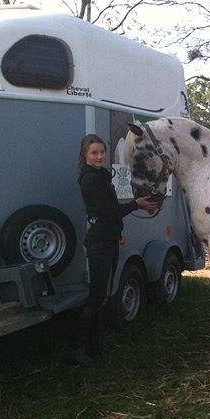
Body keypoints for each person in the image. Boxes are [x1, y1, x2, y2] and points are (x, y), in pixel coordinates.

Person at [67, 133, 158, 364]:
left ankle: (97, 343)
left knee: (105, 294)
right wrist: (135, 204)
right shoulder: (90, 180)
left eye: (102, 152)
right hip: (99, 242)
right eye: (94, 153)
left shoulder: (101, 174)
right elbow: (110, 213)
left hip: (108, 239)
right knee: (96, 295)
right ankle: (78, 349)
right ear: (85, 155)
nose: (99, 156)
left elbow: (116, 200)